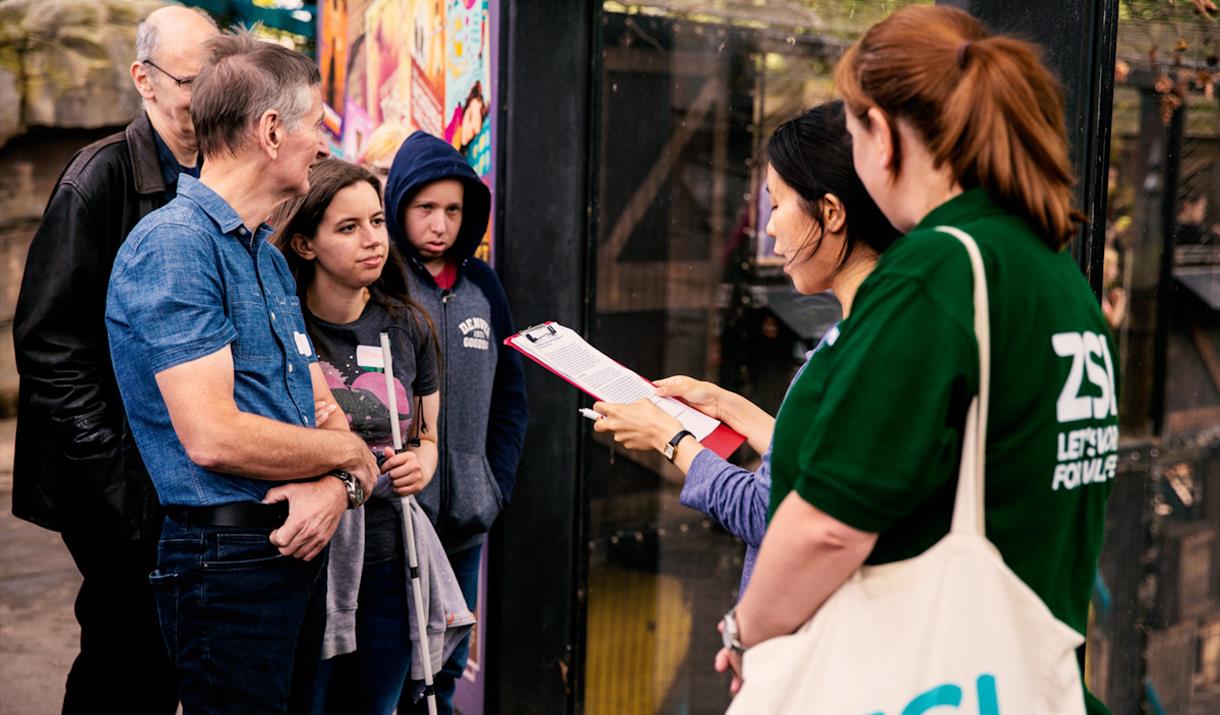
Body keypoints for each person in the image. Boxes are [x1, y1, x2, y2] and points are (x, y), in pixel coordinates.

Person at [718, 7, 1118, 714]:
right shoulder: (1054, 277)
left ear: (884, 131)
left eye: (851, 128)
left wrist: (747, 632)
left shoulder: (936, 272)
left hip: (916, 683)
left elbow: (830, 525)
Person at [105, 32, 380, 714]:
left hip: (287, 549)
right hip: (224, 561)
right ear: (269, 129)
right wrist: (350, 457)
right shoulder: (174, 247)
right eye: (316, 123)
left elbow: (320, 405)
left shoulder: (266, 255)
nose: (323, 143)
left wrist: (338, 484)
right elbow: (214, 436)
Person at [590, 101, 899, 592]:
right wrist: (724, 404)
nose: (768, 226)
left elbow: (767, 511)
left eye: (776, 205)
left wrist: (670, 440)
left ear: (832, 212)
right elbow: (812, 471)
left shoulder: (857, 347)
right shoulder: (883, 325)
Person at [11, 6, 218, 713]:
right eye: (195, 78)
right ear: (145, 80)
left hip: (185, 471)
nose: (212, 92)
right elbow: (48, 344)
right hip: (116, 482)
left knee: (174, 658)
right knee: (123, 660)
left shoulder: (218, 171)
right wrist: (122, 485)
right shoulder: (96, 179)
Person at [269, 158, 470, 714]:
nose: (373, 240)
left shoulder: (409, 326)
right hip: (305, 561)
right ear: (306, 244)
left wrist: (423, 465)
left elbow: (427, 438)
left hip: (389, 560)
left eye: (377, 222)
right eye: (349, 227)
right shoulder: (282, 330)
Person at [384, 130, 528, 714]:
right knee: (393, 659)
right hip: (397, 519)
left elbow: (511, 394)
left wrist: (495, 484)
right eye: (425, 208)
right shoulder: (384, 284)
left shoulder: (483, 285)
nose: (440, 224)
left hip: (467, 516)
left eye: (453, 210)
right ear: (398, 206)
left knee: (445, 654)